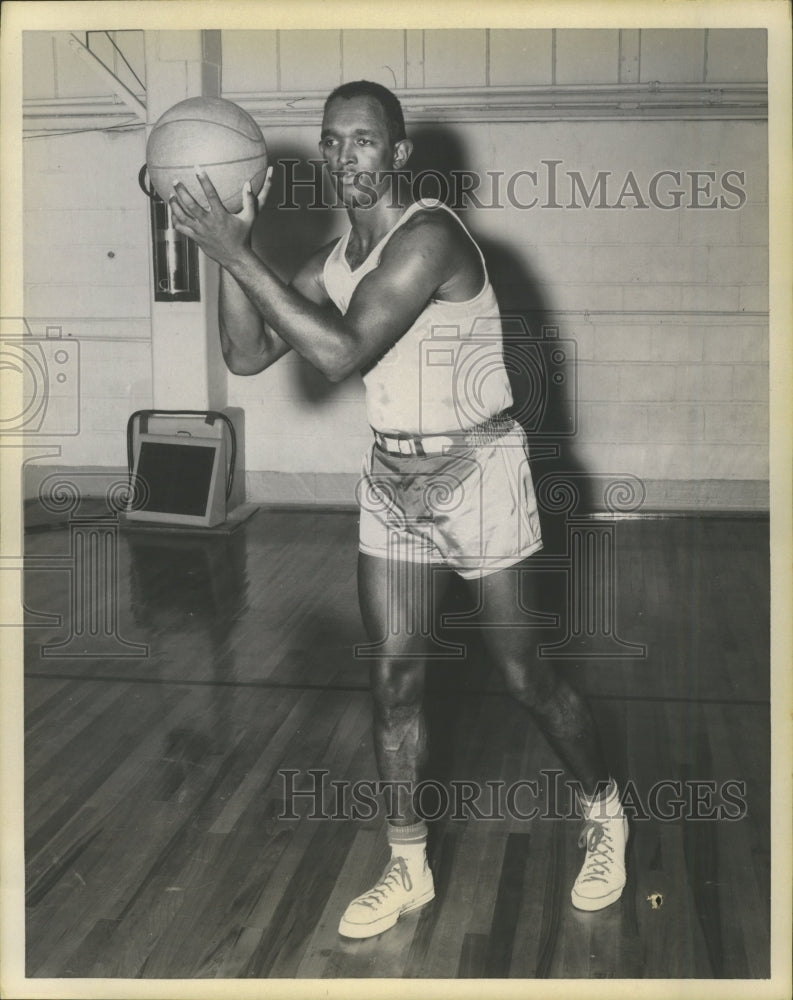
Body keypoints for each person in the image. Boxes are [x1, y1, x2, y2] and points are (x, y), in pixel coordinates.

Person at [169, 80, 629, 940]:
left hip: (480, 474)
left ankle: (604, 812)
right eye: (332, 141)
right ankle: (407, 864)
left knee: (526, 677)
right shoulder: (334, 259)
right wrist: (226, 246)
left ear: (398, 153)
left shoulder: (431, 238)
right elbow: (244, 351)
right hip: (392, 483)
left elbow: (340, 352)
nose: (346, 157)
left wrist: (237, 255)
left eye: (363, 140)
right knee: (391, 682)